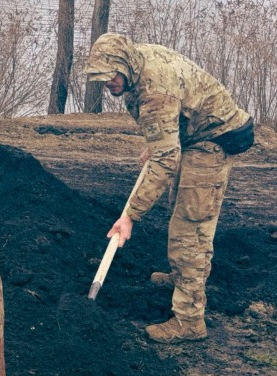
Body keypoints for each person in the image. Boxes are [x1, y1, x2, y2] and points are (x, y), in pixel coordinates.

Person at [84, 32, 255, 343]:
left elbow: (165, 160)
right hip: (195, 132)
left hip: (214, 139)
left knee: (190, 229)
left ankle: (189, 320)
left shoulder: (154, 93)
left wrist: (130, 217)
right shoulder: (140, 60)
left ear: (125, 65)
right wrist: (163, 140)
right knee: (179, 208)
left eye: (110, 76)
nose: (107, 83)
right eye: (101, 78)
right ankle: (182, 277)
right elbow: (176, 110)